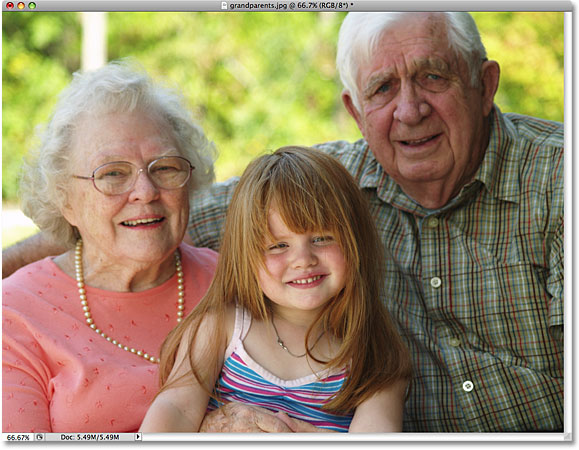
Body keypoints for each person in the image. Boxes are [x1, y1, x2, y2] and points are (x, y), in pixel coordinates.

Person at [2, 12, 564, 432]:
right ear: (354, 108)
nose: (409, 109)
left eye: (434, 77)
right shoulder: (232, 303)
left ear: (485, 85)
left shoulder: (562, 181)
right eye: (383, 88)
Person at [2, 61, 220, 432]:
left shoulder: (234, 281)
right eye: (113, 174)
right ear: (65, 200)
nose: (146, 192)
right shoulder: (15, 315)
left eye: (164, 167)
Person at [139, 146, 411, 433]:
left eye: (321, 238)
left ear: (355, 242)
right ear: (246, 256)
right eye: (279, 245)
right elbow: (176, 409)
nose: (304, 260)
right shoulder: (222, 328)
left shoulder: (376, 356)